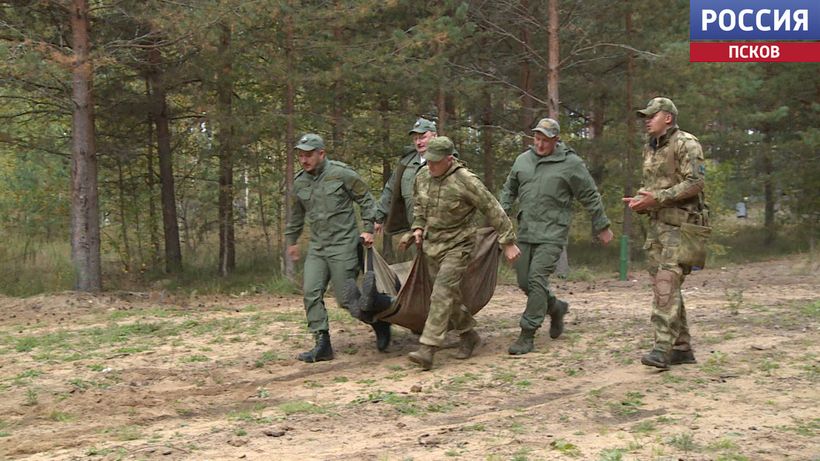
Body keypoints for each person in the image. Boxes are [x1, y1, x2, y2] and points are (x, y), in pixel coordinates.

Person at [500, 117, 614, 355]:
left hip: (553, 232)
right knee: (524, 281)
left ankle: (527, 333)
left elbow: (590, 194)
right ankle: (556, 307)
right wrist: (500, 218)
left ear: (556, 140)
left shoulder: (570, 163)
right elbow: (509, 190)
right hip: (526, 230)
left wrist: (602, 225)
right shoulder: (523, 161)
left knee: (536, 279)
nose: (540, 145)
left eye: (546, 140)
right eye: (537, 139)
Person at [406, 136, 521, 370]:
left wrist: (507, 240)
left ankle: (428, 349)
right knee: (450, 297)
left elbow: (492, 207)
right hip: (432, 245)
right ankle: (469, 334)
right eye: (428, 161)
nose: (431, 166)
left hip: (459, 245)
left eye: (436, 162)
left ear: (449, 159)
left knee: (440, 294)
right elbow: (419, 207)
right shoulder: (423, 176)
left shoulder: (466, 181)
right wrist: (417, 228)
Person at [284, 133, 391, 362]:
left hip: (343, 244)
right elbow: (295, 216)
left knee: (346, 299)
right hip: (318, 247)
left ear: (321, 154)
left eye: (309, 155)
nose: (304, 160)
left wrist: (368, 228)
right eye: (301, 156)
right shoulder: (300, 182)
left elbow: (366, 199)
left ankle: (380, 322)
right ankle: (322, 343)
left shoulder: (341, 174)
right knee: (311, 292)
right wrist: (291, 241)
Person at [624, 97, 706, 369]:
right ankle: (681, 347)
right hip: (657, 226)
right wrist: (641, 201)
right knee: (666, 287)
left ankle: (662, 347)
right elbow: (653, 187)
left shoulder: (686, 143)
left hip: (681, 226)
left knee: (666, 283)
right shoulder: (651, 148)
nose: (647, 120)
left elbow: (695, 183)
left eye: (652, 115)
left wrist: (656, 198)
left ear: (668, 117)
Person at [374, 117, 437, 236]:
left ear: (435, 136)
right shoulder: (406, 163)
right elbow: (390, 189)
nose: (419, 142)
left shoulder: (445, 162)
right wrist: (379, 216)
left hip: (439, 231)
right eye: (415, 138)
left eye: (423, 137)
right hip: (414, 230)